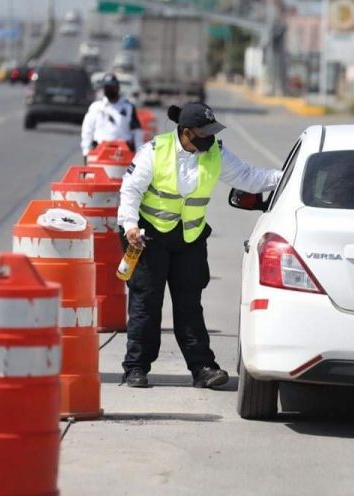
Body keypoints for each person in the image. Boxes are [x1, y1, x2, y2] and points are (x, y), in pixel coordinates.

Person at [117, 102, 283, 388]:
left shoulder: (215, 152)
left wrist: (287, 178)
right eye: (203, 133)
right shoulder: (155, 151)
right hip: (148, 237)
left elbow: (248, 177)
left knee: (190, 304)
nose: (209, 138)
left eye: (211, 132)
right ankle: (136, 368)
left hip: (189, 238)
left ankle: (203, 368)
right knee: (146, 302)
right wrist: (130, 225)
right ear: (185, 132)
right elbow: (130, 189)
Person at [80, 73, 144, 160]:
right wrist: (86, 152)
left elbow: (137, 133)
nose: (109, 90)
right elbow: (87, 130)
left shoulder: (128, 107)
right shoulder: (96, 107)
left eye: (112, 87)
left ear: (117, 88)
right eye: (107, 87)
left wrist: (139, 156)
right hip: (99, 152)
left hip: (123, 154)